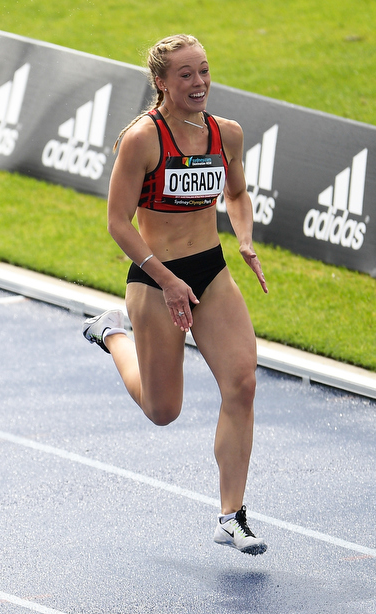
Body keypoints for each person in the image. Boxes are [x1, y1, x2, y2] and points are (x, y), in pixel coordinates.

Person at [83, 35, 268, 555]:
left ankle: (231, 515)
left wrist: (245, 237)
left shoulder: (225, 133)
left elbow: (236, 193)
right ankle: (113, 333)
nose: (199, 83)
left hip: (210, 271)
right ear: (161, 82)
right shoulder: (142, 139)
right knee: (163, 411)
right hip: (155, 277)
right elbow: (118, 223)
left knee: (243, 384)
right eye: (185, 75)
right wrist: (166, 280)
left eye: (204, 71)